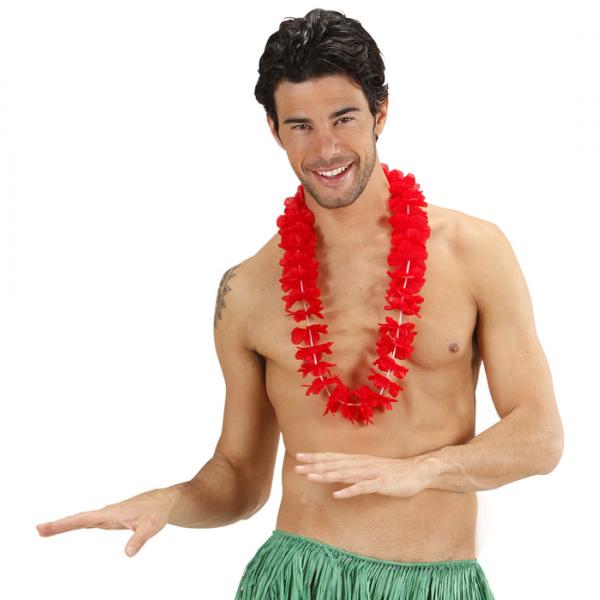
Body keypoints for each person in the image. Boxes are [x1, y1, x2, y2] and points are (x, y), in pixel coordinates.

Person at [36, 8, 564, 599]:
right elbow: (240, 479)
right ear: (274, 129)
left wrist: (424, 470)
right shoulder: (246, 290)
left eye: (344, 118)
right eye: (301, 125)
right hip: (296, 579)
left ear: (381, 113)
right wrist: (170, 501)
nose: (326, 148)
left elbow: (540, 436)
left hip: (437, 581)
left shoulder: (474, 252)